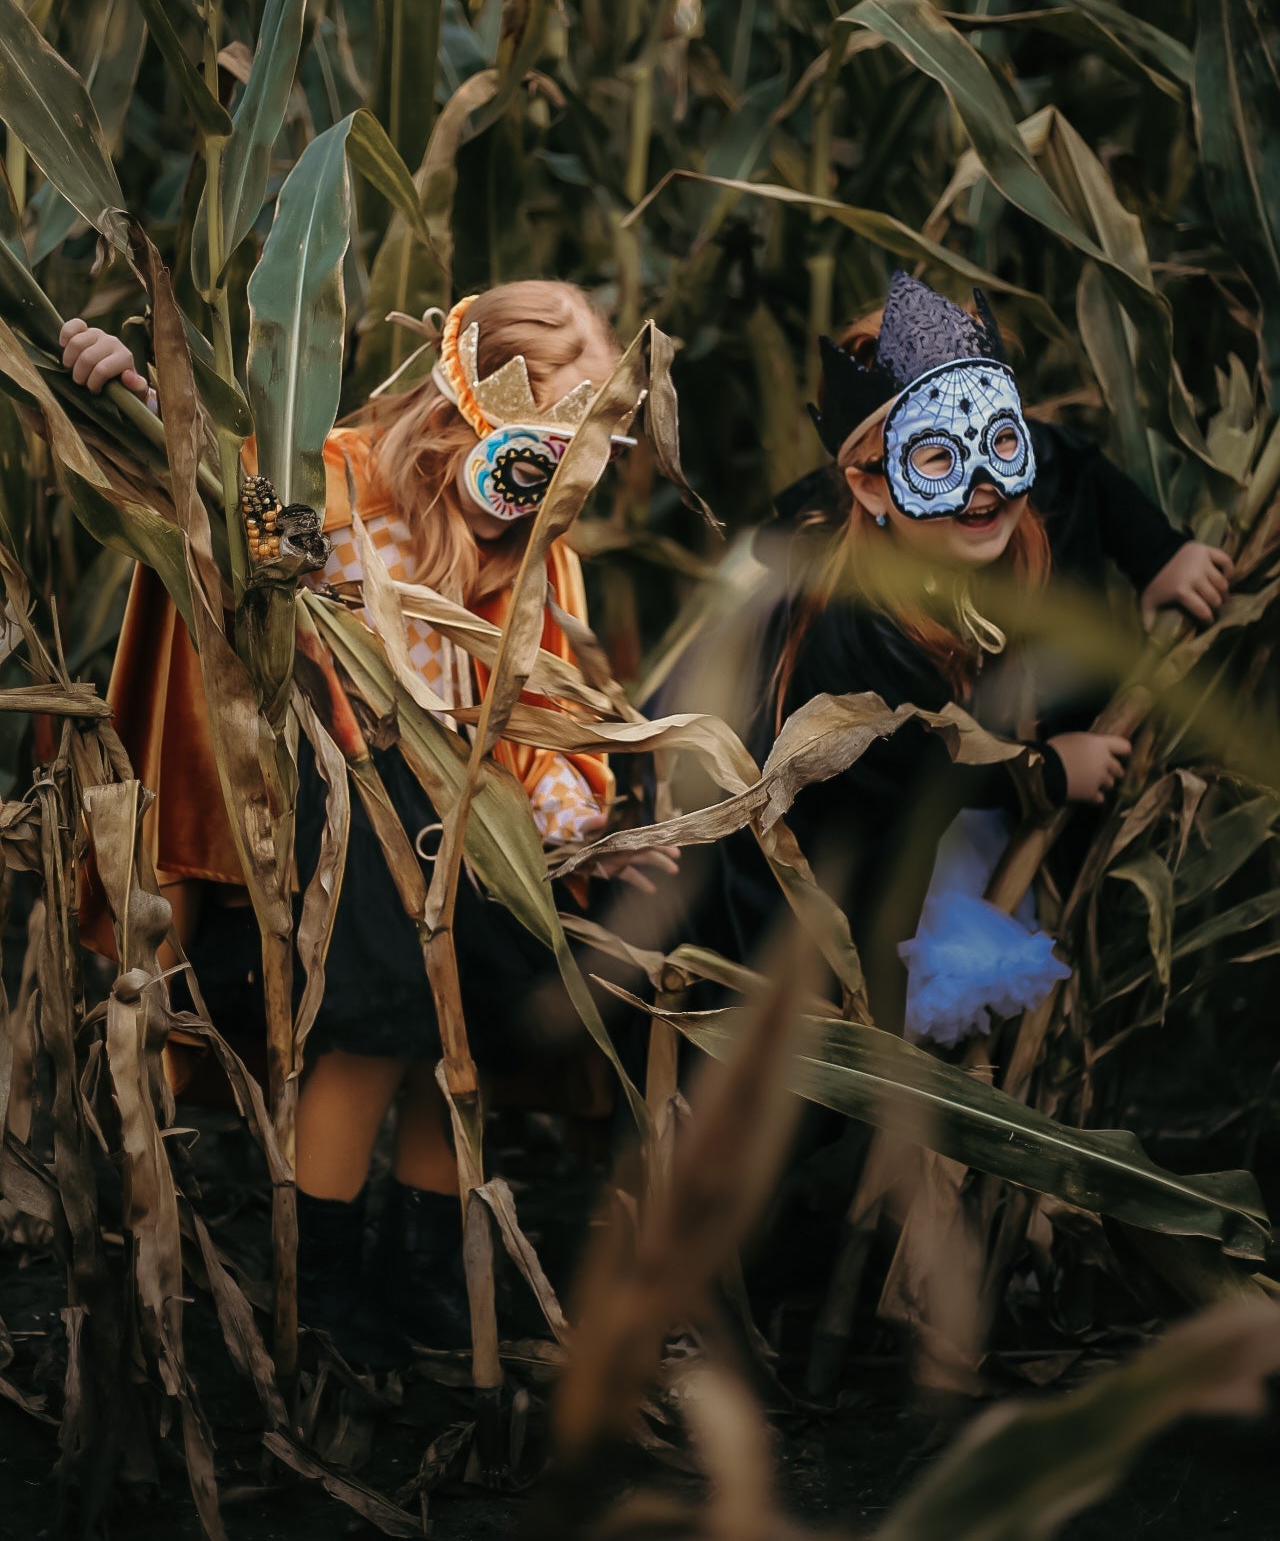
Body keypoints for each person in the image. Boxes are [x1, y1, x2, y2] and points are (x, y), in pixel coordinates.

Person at [61, 283, 677, 1366]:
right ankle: (325, 1285)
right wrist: (131, 388)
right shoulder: (333, 487)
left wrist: (589, 825)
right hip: (338, 818)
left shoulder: (539, 548)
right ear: (461, 415)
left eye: (576, 468)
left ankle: (426, 1271)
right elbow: (210, 497)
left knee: (469, 1038)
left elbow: (551, 716)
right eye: (532, 459)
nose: (543, 498)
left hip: (478, 836)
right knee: (373, 1028)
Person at [721, 271, 1233, 1039]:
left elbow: (1071, 463)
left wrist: (1159, 552)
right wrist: (1050, 770)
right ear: (870, 492)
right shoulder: (857, 629)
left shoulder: (1026, 480)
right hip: (866, 840)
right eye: (935, 459)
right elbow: (924, 770)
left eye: (1000, 438)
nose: (983, 481)